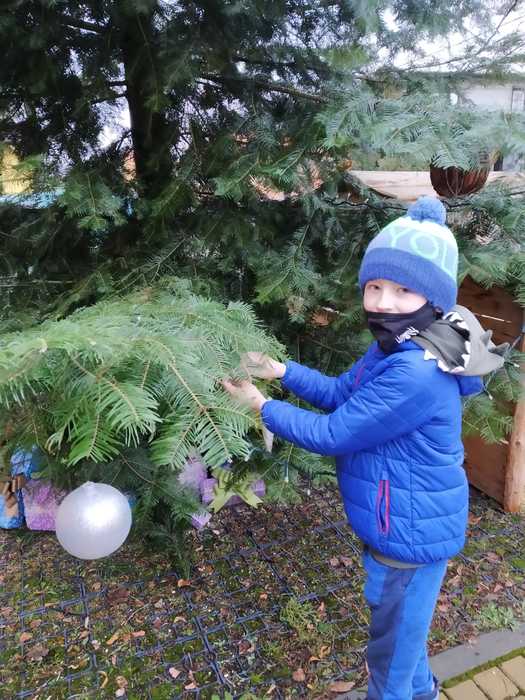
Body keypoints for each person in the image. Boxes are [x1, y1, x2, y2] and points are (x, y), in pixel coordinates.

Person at [222, 196, 506, 700]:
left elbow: (332, 433)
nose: (382, 302)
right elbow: (340, 394)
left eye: (402, 290)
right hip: (399, 528)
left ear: (433, 299)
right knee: (403, 642)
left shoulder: (416, 372)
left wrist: (261, 406)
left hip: (409, 537)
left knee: (388, 661)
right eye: (374, 286)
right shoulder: (395, 347)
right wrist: (281, 370)